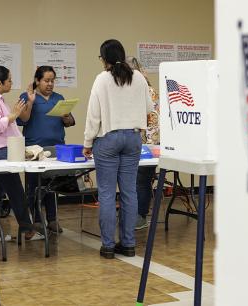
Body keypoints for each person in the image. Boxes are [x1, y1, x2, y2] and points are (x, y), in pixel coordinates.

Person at [83, 39, 153, 259]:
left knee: (106, 193)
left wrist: (87, 142)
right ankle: (129, 244)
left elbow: (93, 115)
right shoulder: (139, 77)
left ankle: (108, 246)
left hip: (108, 139)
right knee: (129, 191)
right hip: (133, 138)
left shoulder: (102, 79)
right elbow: (149, 109)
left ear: (104, 59)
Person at [0, 65, 44, 242]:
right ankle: (26, 229)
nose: (11, 83)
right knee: (15, 191)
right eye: (9, 80)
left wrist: (14, 114)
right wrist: (13, 115)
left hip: (1, 151)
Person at [17, 66, 75, 233]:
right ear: (37, 81)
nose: (50, 84)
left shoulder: (59, 98)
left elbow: (69, 123)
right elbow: (22, 120)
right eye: (46, 80)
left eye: (52, 81)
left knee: (52, 186)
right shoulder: (27, 97)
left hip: (57, 148)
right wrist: (30, 101)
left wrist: (66, 116)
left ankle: (52, 219)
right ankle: (34, 220)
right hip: (34, 149)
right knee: (33, 186)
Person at [126, 56, 160, 230]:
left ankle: (140, 214)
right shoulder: (126, 91)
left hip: (146, 145)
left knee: (142, 180)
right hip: (130, 143)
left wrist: (148, 147)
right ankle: (131, 212)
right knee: (130, 180)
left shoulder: (148, 90)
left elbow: (153, 122)